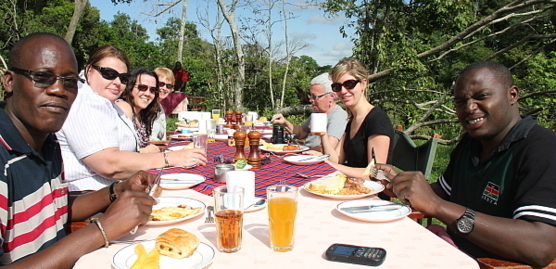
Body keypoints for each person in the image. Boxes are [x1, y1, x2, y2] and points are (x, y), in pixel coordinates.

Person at [377, 61, 556, 267]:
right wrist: (402, 186)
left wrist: (438, 207)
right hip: (450, 250)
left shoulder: (542, 148)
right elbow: (443, 192)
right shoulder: (471, 143)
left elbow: (540, 246)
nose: (469, 108)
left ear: (512, 95)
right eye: (461, 101)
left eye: (482, 97)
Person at [0, 32, 156, 267]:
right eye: (43, 77)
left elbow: (56, 209)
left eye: (70, 81)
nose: (59, 90)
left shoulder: (47, 143)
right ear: (9, 81)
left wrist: (118, 189)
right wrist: (102, 230)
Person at [56, 46, 207, 191]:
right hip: (92, 200)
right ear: (89, 71)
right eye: (108, 73)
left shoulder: (107, 103)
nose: (116, 82)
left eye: (123, 78)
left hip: (121, 189)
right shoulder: (86, 102)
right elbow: (110, 165)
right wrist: (169, 158)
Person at [320, 59, 394, 178]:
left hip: (371, 193)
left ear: (364, 83)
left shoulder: (376, 120)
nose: (343, 91)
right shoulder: (353, 120)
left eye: (349, 84)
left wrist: (332, 165)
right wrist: (322, 134)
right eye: (337, 86)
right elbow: (336, 159)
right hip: (351, 185)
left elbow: (376, 174)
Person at [271, 73, 348, 152]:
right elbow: (301, 133)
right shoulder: (318, 112)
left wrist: (301, 150)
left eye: (315, 97)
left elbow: (328, 148)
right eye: (310, 96)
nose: (310, 100)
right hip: (307, 153)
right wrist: (285, 123)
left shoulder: (338, 116)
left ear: (331, 97)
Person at [116, 67, 161, 153]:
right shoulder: (123, 107)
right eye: (142, 87)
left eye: (152, 90)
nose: (148, 94)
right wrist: (146, 151)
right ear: (130, 87)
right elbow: (119, 153)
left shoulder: (141, 114)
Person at [150, 67, 174, 141]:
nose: (164, 88)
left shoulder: (160, 107)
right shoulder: (147, 107)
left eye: (168, 86)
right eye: (161, 84)